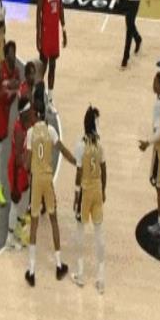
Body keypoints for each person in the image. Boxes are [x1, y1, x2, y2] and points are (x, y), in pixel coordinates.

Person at [24, 92, 76, 287]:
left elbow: (27, 163)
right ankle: (59, 264)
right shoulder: (52, 131)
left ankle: (31, 271)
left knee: (34, 223)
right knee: (54, 220)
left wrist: (25, 164)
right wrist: (75, 162)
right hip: (48, 179)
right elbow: (62, 150)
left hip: (36, 180)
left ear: (34, 114)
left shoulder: (30, 133)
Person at [71, 106, 107, 294]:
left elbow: (79, 172)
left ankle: (80, 273)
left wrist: (76, 195)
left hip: (85, 192)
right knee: (99, 232)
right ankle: (101, 278)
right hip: (98, 189)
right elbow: (104, 168)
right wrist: (104, 189)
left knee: (80, 231)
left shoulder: (80, 145)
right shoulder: (99, 144)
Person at [139, 72, 160, 237]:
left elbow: (158, 133)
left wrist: (146, 142)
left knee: (158, 185)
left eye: (155, 81)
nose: (153, 84)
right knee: (158, 182)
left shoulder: (158, 105)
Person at [0, 41, 20, 207]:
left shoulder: (17, 72)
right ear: (6, 55)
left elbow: (17, 90)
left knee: (1, 145)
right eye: (11, 53)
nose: (14, 56)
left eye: (15, 52)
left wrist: (10, 93)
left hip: (6, 110)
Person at [37, 0, 67, 114]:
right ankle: (37, 95)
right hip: (45, 32)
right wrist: (38, 35)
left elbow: (60, 7)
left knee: (53, 65)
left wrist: (64, 28)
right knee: (43, 65)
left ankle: (49, 100)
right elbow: (38, 12)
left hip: (54, 32)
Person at [6, 97, 33, 249]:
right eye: (29, 112)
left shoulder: (24, 125)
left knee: (25, 197)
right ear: (23, 113)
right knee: (15, 202)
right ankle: (9, 239)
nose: (31, 114)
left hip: (21, 168)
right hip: (16, 169)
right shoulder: (18, 130)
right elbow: (17, 158)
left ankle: (17, 230)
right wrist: (15, 185)